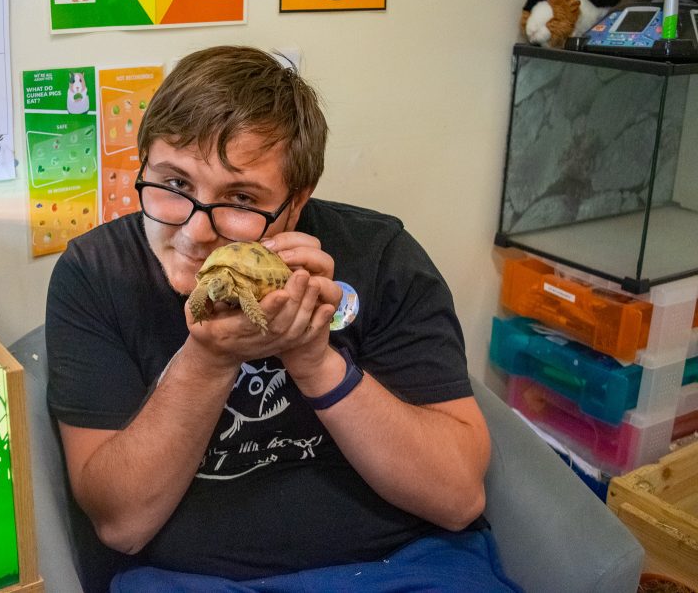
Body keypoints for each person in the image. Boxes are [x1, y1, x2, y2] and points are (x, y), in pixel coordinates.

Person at [46, 46, 520, 592]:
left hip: (402, 562)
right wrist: (210, 357)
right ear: (144, 164)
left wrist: (311, 357)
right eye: (174, 185)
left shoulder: (380, 256)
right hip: (193, 577)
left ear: (295, 203)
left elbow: (458, 497)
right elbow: (121, 524)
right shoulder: (96, 275)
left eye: (241, 198)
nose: (197, 233)